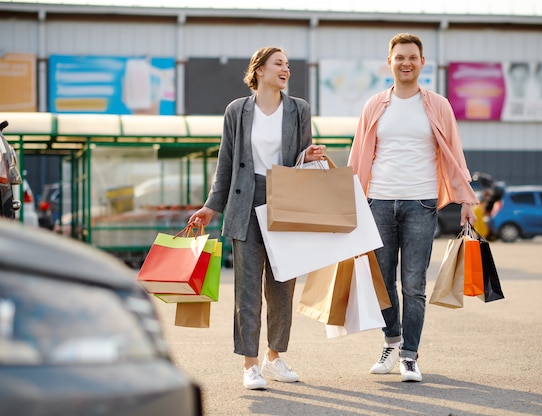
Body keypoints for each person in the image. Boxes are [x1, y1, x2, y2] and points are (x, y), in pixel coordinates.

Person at [188, 46, 326, 390]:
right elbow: (226, 163)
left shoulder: (298, 110)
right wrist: (211, 206)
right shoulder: (237, 110)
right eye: (279, 64)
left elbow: (303, 163)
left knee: (282, 287)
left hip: (285, 201)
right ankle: (250, 364)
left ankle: (274, 356)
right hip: (244, 203)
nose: (286, 70)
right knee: (247, 289)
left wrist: (307, 155)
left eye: (288, 65)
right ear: (259, 70)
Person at [348, 33, 479, 382]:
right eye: (399, 57)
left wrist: (466, 200)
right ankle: (392, 340)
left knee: (414, 285)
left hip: (421, 203)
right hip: (378, 201)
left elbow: (455, 152)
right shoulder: (375, 104)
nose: (406, 62)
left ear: (422, 63)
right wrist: (352, 201)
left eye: (412, 57)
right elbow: (359, 154)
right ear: (389, 62)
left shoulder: (437, 104)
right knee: (383, 282)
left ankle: (409, 356)